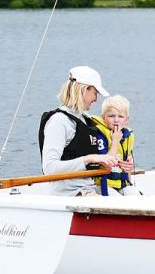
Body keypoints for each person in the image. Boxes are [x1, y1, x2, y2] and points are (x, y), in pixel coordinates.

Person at [38, 66, 126, 196]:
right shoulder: (59, 121)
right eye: (95, 93)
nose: (96, 99)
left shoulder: (85, 120)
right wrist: (87, 159)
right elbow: (49, 168)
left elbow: (94, 164)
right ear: (85, 90)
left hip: (88, 188)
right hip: (69, 194)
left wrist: (120, 165)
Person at [91, 95, 141, 196]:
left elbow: (127, 170)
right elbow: (106, 163)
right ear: (103, 118)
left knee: (136, 195)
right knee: (118, 201)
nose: (116, 120)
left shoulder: (127, 136)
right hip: (103, 184)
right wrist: (115, 142)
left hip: (121, 184)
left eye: (120, 116)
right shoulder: (100, 135)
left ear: (126, 120)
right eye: (111, 116)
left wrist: (128, 167)